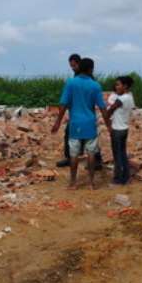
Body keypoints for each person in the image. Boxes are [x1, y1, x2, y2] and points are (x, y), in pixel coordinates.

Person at [51, 57, 111, 190]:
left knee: (74, 154)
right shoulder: (95, 85)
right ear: (91, 69)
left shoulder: (71, 83)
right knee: (91, 154)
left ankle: (73, 183)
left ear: (79, 67)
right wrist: (109, 126)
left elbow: (63, 105)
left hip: (75, 124)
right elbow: (102, 108)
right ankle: (91, 183)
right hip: (90, 124)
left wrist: (57, 122)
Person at [106, 76, 135, 185]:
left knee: (117, 155)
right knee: (122, 154)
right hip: (124, 128)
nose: (116, 87)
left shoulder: (122, 99)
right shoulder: (130, 97)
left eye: (118, 84)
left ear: (125, 86)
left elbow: (110, 110)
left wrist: (107, 121)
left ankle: (119, 179)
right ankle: (126, 177)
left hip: (117, 130)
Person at [57, 53, 82, 168]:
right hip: (76, 112)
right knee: (69, 134)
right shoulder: (76, 76)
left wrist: (58, 121)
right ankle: (69, 157)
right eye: (71, 66)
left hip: (80, 112)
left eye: (74, 65)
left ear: (79, 63)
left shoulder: (82, 78)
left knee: (88, 137)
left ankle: (96, 159)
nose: (72, 68)